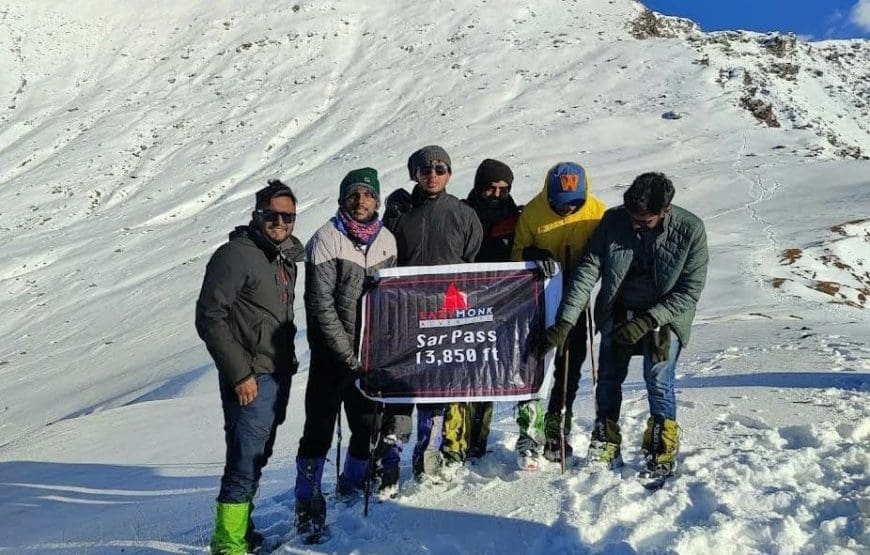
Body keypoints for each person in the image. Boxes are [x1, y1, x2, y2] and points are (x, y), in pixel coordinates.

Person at [545, 172, 708, 478]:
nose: (635, 224)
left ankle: (662, 443)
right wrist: (566, 320)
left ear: (665, 211)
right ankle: (606, 438)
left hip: (665, 317)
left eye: (644, 220)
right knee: (608, 378)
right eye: (632, 217)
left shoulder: (691, 230)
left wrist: (649, 320)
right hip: (619, 311)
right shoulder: (613, 221)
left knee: (658, 379)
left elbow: (690, 290)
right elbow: (587, 271)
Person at [195, 180, 304, 555]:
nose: (279, 222)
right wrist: (239, 373)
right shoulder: (235, 255)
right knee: (243, 461)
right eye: (272, 214)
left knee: (257, 456)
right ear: (257, 214)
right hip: (251, 377)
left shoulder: (282, 257)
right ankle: (228, 545)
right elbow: (210, 317)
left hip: (275, 373)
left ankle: (241, 533)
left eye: (287, 216)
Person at [293, 168, 397, 537]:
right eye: (353, 194)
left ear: (377, 200)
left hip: (368, 354)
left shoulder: (386, 240)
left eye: (368, 194)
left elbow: (392, 299)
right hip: (331, 356)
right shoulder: (326, 238)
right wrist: (346, 356)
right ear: (342, 199)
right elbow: (321, 306)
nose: (360, 201)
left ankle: (353, 480)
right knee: (319, 429)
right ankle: (306, 500)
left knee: (366, 424)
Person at [380, 145, 483, 491]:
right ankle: (390, 460)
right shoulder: (399, 212)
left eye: (440, 169)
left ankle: (428, 456)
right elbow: (384, 254)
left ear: (450, 173)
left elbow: (471, 257)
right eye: (425, 169)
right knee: (401, 387)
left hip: (445, 314)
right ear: (415, 174)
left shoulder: (463, 213)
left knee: (436, 386)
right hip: (406, 312)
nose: (433, 175)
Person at [511, 162, 606, 469]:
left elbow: (603, 256)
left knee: (570, 368)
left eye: (574, 203)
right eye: (560, 203)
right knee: (533, 363)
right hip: (537, 301)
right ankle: (529, 428)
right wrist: (530, 255)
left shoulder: (596, 212)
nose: (567, 209)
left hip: (577, 303)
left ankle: (557, 429)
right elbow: (516, 252)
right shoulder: (534, 213)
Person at [458, 158, 523, 460]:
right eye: (491, 188)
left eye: (504, 189)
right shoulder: (461, 212)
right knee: (461, 370)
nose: (497, 195)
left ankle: (477, 439)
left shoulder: (517, 217)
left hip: (501, 306)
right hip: (463, 303)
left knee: (486, 370)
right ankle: (455, 438)